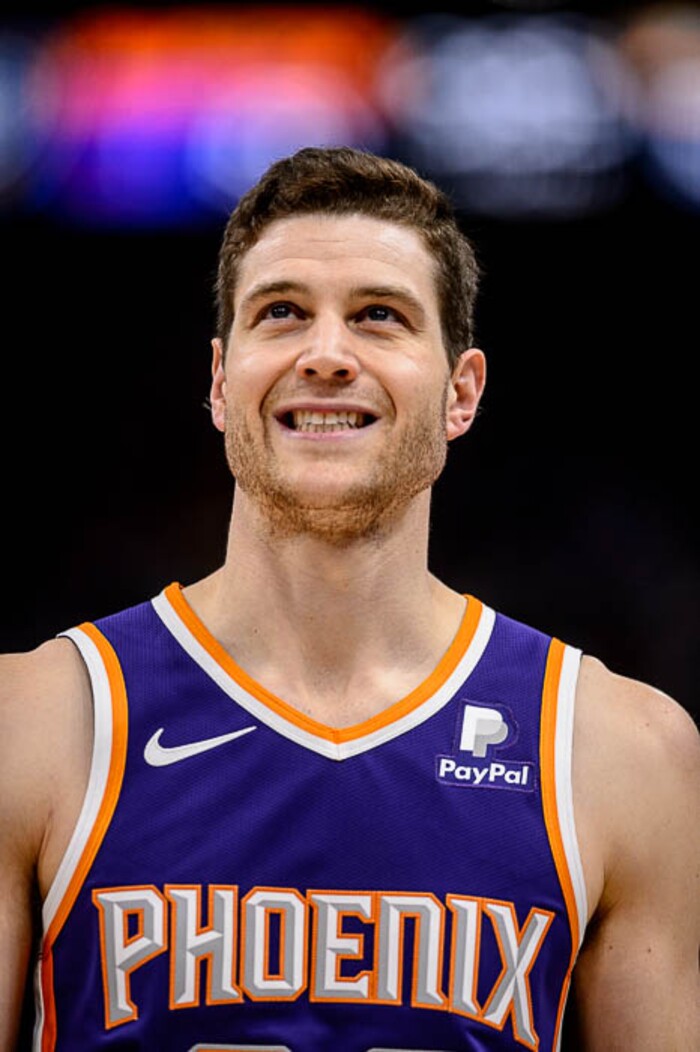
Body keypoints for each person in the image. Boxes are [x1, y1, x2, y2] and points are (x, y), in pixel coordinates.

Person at [1, 146, 698, 1052]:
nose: (326, 355)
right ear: (220, 383)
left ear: (461, 393)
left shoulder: (622, 753)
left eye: (379, 316)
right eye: (282, 312)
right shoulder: (34, 725)